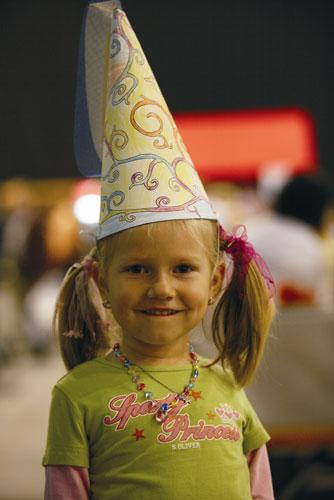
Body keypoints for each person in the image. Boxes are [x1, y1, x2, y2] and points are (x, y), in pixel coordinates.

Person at [42, 2, 275, 498]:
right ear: (101, 282)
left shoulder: (228, 385)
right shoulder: (77, 396)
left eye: (184, 268)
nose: (162, 287)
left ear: (214, 282)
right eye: (138, 268)